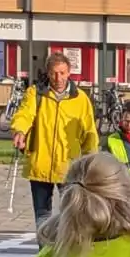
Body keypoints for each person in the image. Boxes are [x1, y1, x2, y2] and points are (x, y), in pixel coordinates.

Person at [10, 54, 100, 227]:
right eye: (54, 73)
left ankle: (67, 250)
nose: (58, 78)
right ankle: (44, 250)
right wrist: (19, 130)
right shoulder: (35, 93)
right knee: (42, 217)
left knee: (71, 215)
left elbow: (89, 131)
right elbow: (25, 114)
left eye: (62, 73)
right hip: (40, 164)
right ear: (48, 73)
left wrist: (92, 161)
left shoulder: (80, 99)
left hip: (68, 167)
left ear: (69, 72)